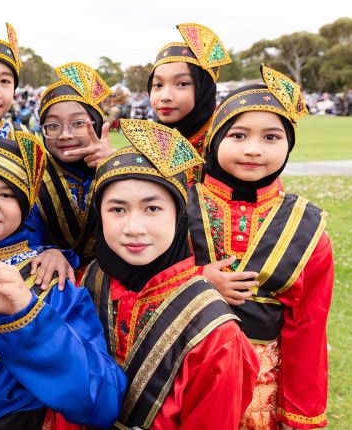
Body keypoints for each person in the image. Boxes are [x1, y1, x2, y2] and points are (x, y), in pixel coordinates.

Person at [0, 132, 126, 429]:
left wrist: (27, 314)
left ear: (26, 204)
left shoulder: (50, 279)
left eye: (7, 195)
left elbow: (103, 400)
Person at [81, 118, 259, 429]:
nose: (133, 228)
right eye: (117, 209)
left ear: (179, 217)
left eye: (152, 209)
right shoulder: (92, 279)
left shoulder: (216, 334)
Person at [187, 65, 334, 429]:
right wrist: (198, 280)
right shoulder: (175, 206)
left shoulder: (308, 228)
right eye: (238, 135)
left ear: (289, 145)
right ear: (215, 139)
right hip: (182, 377)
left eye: (271, 137)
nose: (253, 150)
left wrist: (300, 417)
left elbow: (308, 330)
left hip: (258, 397)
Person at [33, 62, 115, 270]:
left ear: (96, 124)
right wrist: (46, 251)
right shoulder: (33, 173)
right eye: (52, 125)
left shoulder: (118, 166)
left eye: (78, 123)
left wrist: (114, 165)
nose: (65, 134)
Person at [148, 23, 232, 184]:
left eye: (182, 84)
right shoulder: (152, 138)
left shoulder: (226, 140)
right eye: (158, 85)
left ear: (204, 88)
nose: (165, 96)